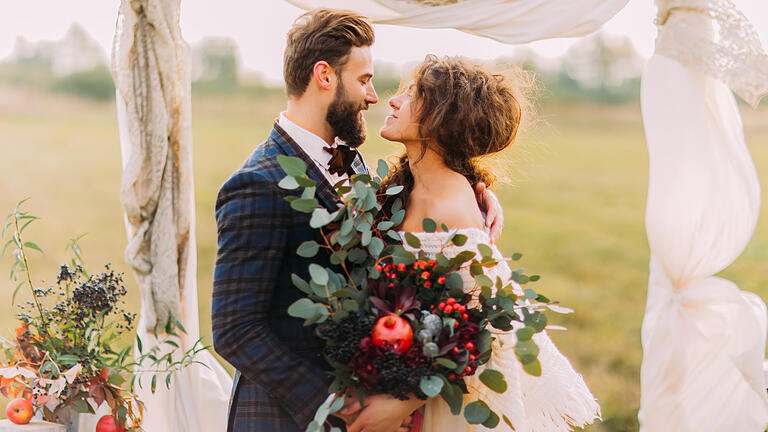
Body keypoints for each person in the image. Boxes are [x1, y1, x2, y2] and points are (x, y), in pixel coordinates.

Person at [211, 10, 504, 432]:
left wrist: (474, 193)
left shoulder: (351, 160)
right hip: (287, 418)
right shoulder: (258, 184)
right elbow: (235, 330)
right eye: (364, 80)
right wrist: (337, 407)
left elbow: (411, 211)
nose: (372, 96)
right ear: (324, 76)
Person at [340, 55, 601, 432]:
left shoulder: (453, 210)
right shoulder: (405, 189)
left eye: (412, 95)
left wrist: (401, 404)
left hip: (443, 401)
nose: (393, 101)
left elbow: (477, 330)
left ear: (444, 120)